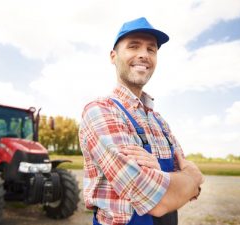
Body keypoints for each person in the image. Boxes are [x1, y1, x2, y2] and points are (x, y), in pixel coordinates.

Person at [79, 17, 204, 225]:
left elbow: (192, 192)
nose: (143, 55)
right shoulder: (100, 111)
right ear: (113, 56)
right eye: (133, 46)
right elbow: (159, 200)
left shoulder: (159, 122)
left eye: (151, 49)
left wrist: (163, 175)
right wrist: (191, 177)